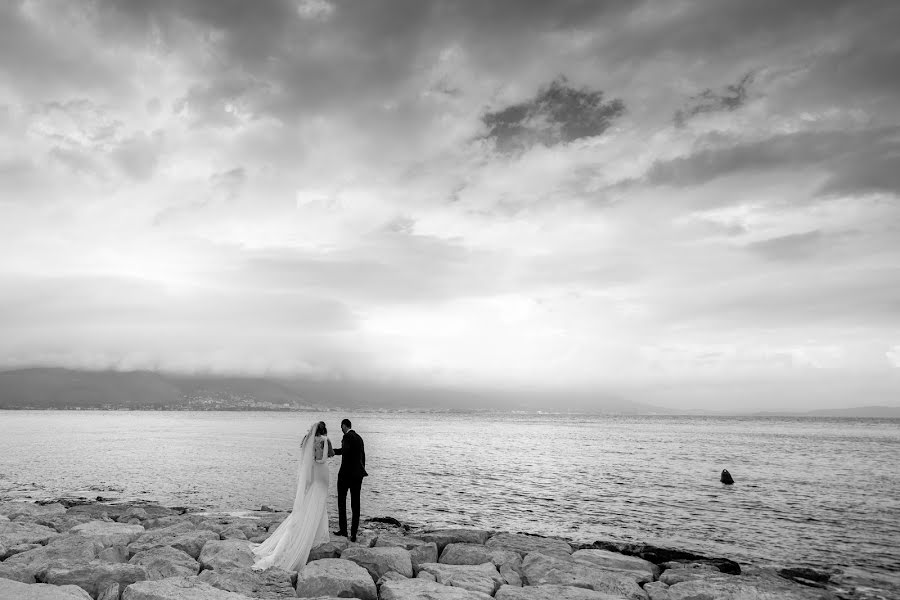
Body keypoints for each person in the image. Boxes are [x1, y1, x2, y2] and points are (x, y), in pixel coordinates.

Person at [251, 421, 333, 571]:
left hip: (314, 473)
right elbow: (326, 457)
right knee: (320, 502)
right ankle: (316, 533)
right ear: (324, 430)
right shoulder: (325, 440)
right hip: (322, 473)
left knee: (311, 500)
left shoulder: (307, 440)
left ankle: (313, 530)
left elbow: (308, 456)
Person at [332, 418, 367, 542]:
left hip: (346, 476)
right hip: (358, 476)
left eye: (341, 427)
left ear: (344, 426)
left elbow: (344, 452)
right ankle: (354, 534)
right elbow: (363, 457)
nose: (341, 429)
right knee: (355, 505)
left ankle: (343, 531)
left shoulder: (347, 437)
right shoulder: (359, 438)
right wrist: (361, 472)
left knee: (342, 502)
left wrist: (332, 452)